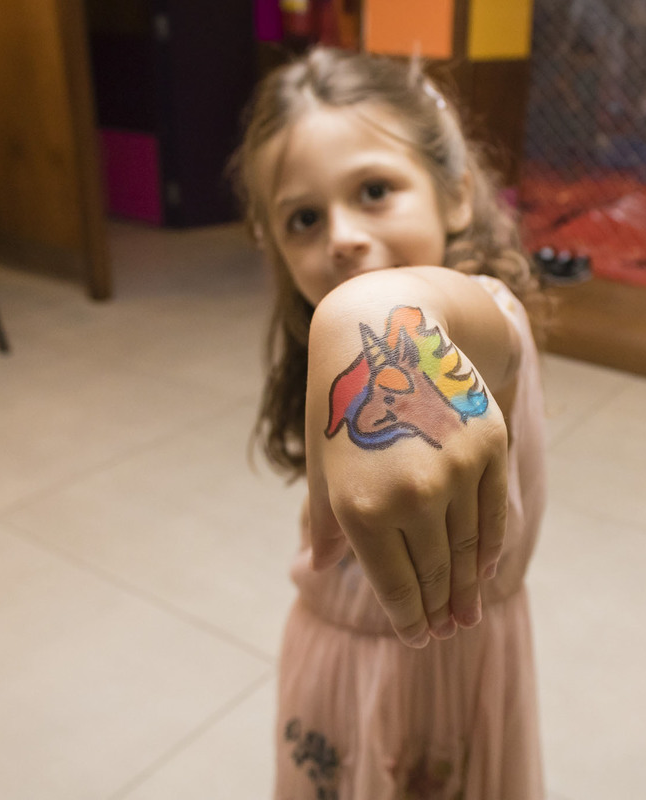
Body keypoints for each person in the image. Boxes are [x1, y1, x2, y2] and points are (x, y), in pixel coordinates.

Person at [231, 47, 548, 799]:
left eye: (375, 190)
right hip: (328, 655)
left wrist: (367, 311)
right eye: (304, 218)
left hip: (450, 675)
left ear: (456, 196)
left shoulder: (488, 318)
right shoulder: (321, 358)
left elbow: (454, 321)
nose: (339, 236)